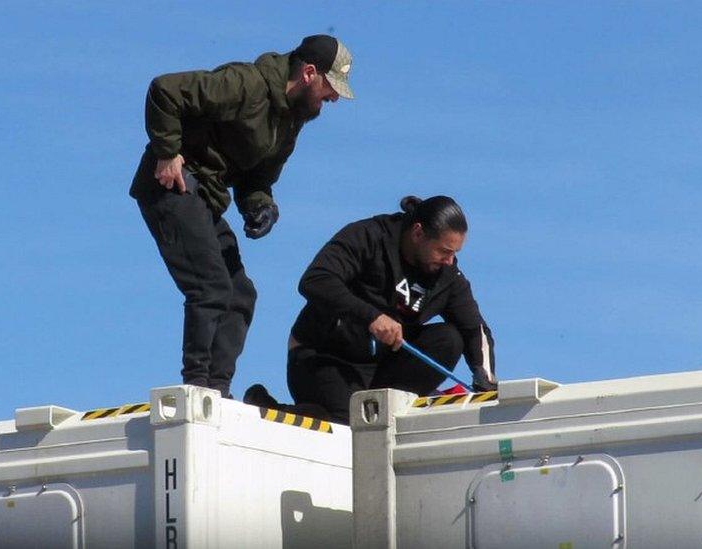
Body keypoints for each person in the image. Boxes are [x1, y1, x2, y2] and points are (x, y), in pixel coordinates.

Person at [130, 35, 354, 398]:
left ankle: (218, 389)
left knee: (240, 294)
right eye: (331, 89)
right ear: (310, 73)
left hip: (205, 198)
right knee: (211, 286)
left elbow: (257, 180)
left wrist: (260, 206)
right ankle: (196, 387)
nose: (333, 100)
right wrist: (166, 152)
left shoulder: (290, 122)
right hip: (172, 186)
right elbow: (164, 90)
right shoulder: (245, 84)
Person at [244, 196, 496, 423]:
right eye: (444, 251)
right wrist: (371, 316)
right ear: (418, 233)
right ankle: (267, 407)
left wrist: (485, 379)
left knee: (450, 339)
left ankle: (388, 407)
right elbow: (315, 280)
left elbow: (475, 328)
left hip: (380, 366)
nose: (449, 260)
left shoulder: (447, 275)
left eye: (454, 253)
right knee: (348, 425)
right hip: (324, 356)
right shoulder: (369, 236)